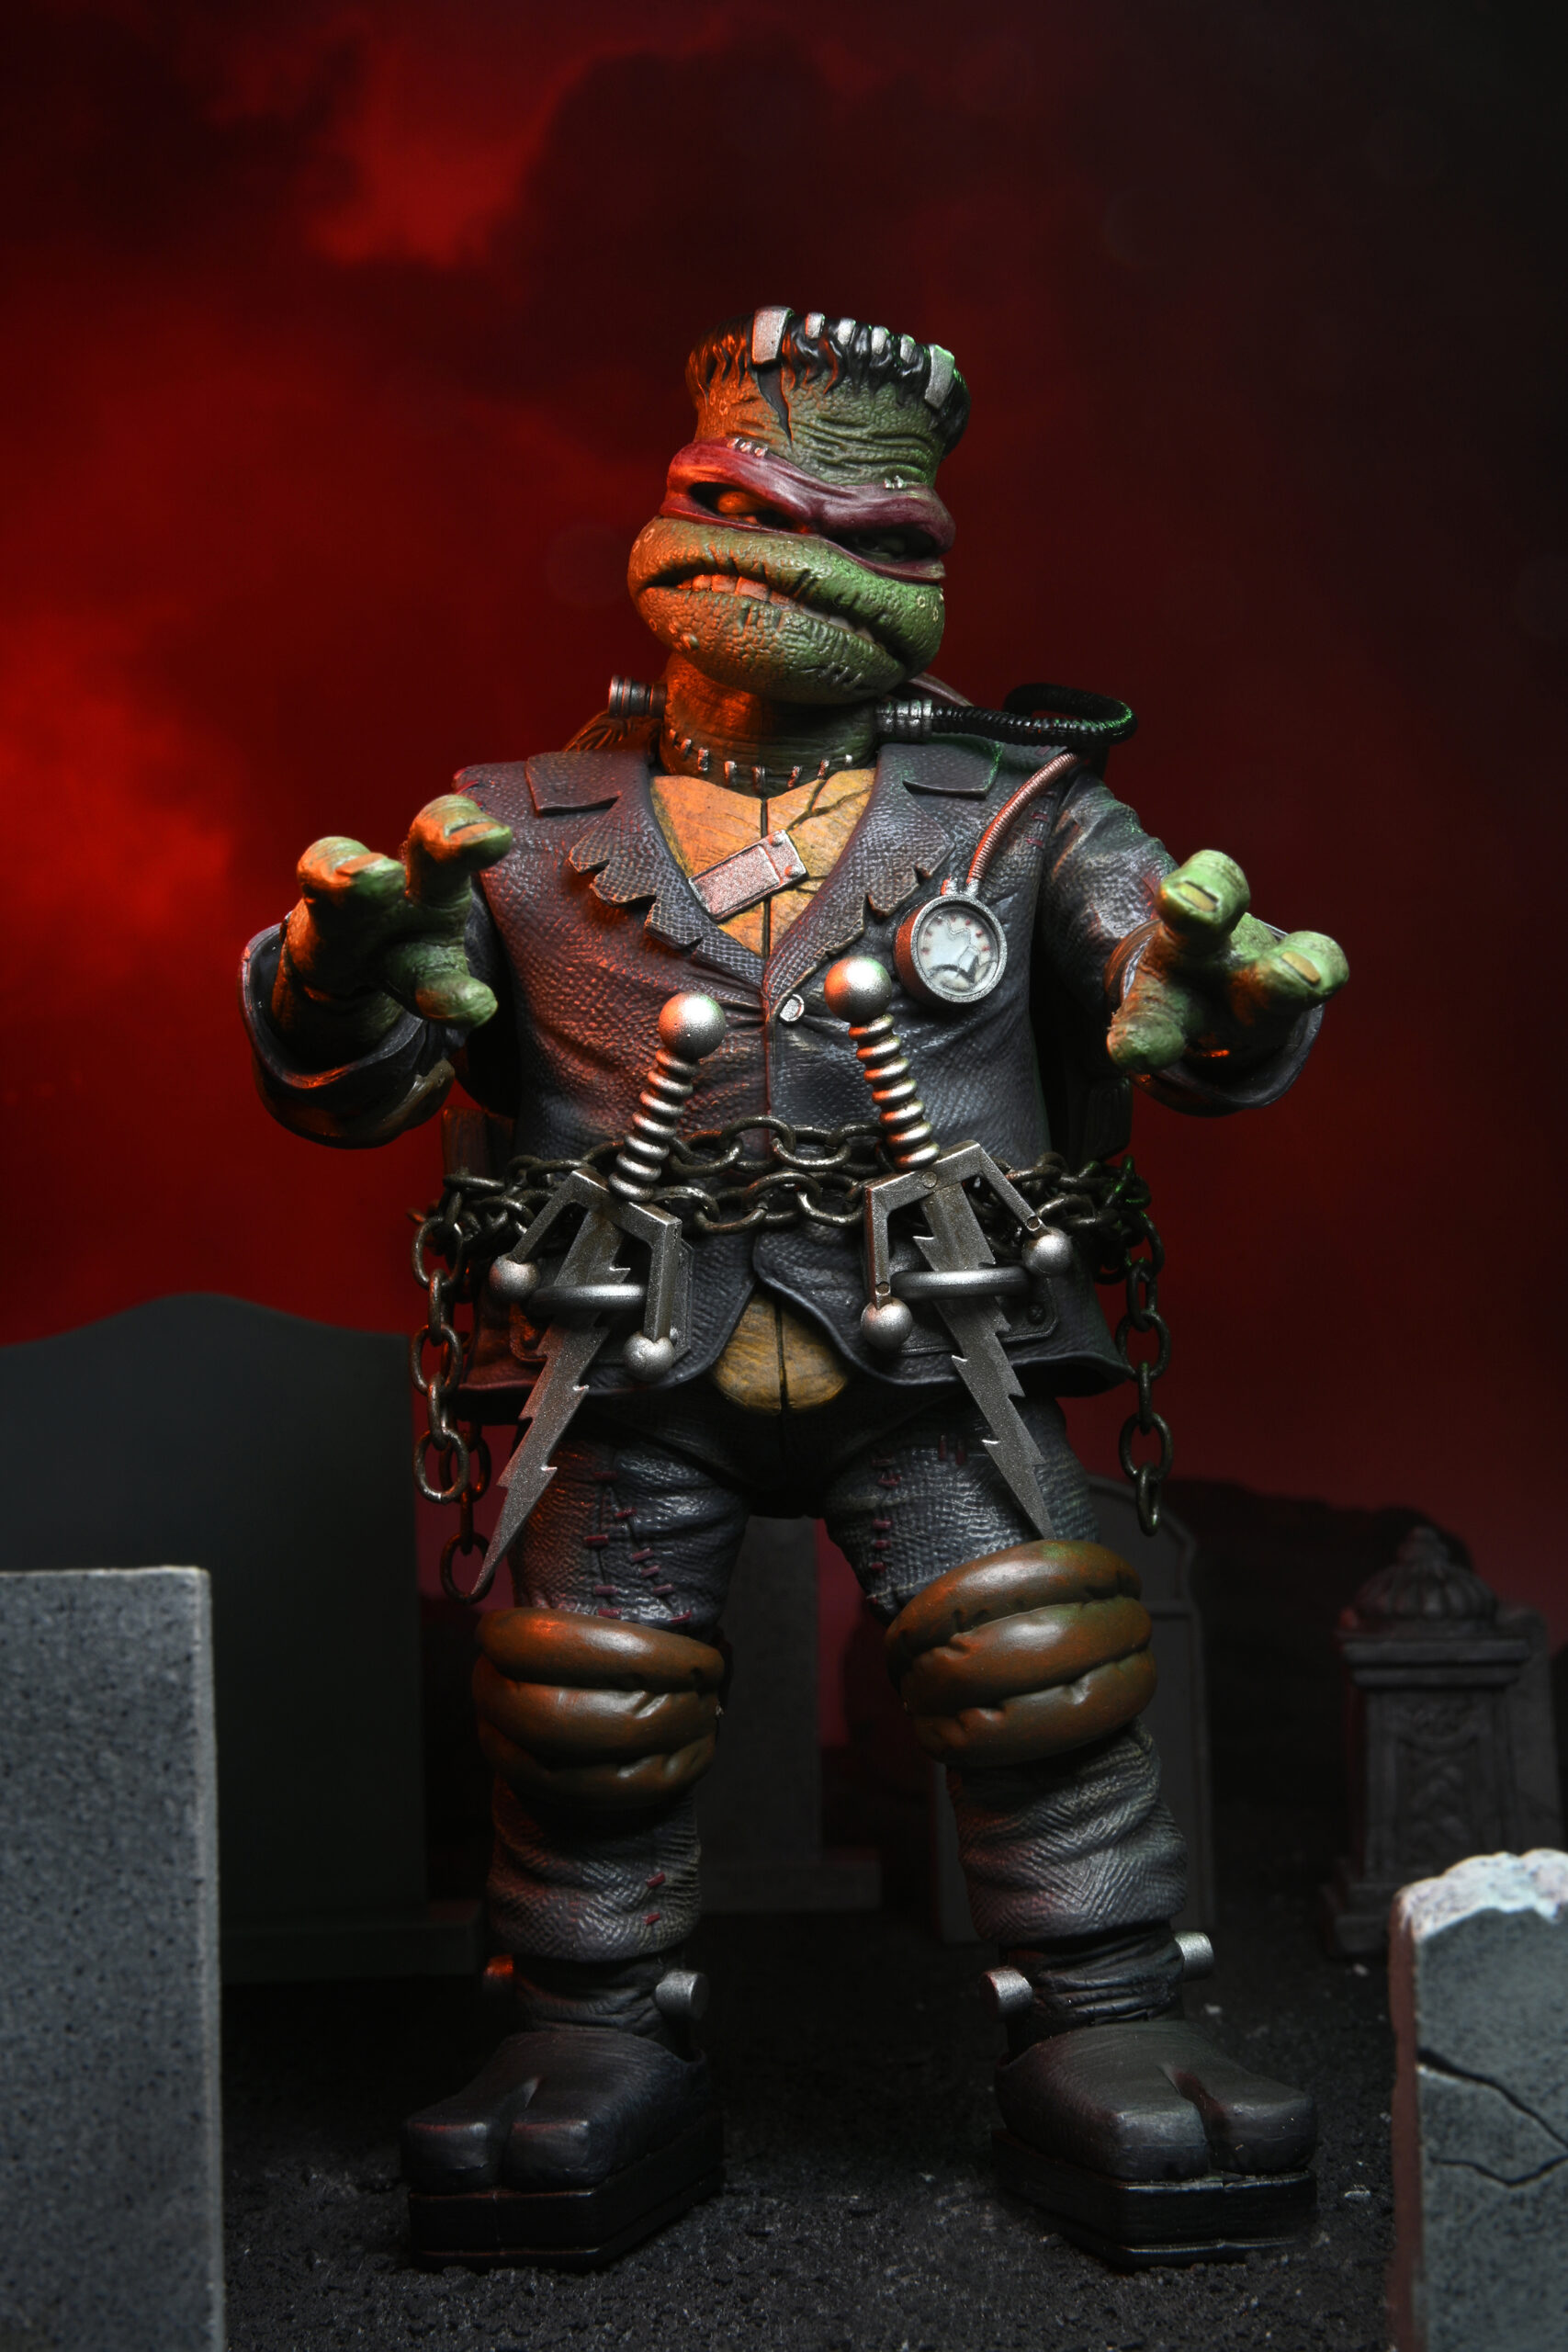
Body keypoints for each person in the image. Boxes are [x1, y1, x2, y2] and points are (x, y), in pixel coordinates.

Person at [241, 306, 1347, 2264]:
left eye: (867, 530)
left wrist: (1219, 1007)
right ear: (673, 520)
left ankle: (1109, 2006)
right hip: (622, 1344)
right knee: (583, 1695)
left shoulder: (1023, 814)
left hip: (940, 1340)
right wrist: (332, 982)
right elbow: (371, 1071)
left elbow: (1163, 976)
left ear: (925, 561)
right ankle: (584, 2027)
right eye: (747, 506)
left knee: (1037, 1663)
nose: (796, 552)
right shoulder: (510, 827)